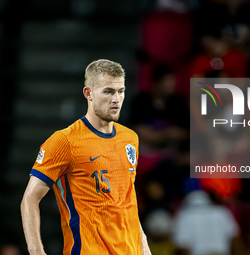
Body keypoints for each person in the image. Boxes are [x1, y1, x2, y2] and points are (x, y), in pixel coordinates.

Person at [20, 59, 152, 255]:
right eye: (108, 91)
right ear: (88, 93)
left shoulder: (129, 138)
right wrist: (37, 251)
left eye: (121, 91)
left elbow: (127, 200)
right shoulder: (65, 141)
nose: (116, 99)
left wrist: (144, 246)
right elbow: (29, 199)